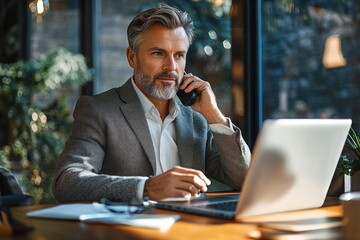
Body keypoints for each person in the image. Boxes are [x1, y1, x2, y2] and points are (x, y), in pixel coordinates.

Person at [52, 3, 251, 203]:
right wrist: (147, 188)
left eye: (179, 55)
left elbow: (243, 179)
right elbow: (67, 181)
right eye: (158, 53)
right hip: (128, 230)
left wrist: (214, 115)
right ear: (132, 57)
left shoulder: (197, 118)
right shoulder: (99, 110)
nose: (171, 67)